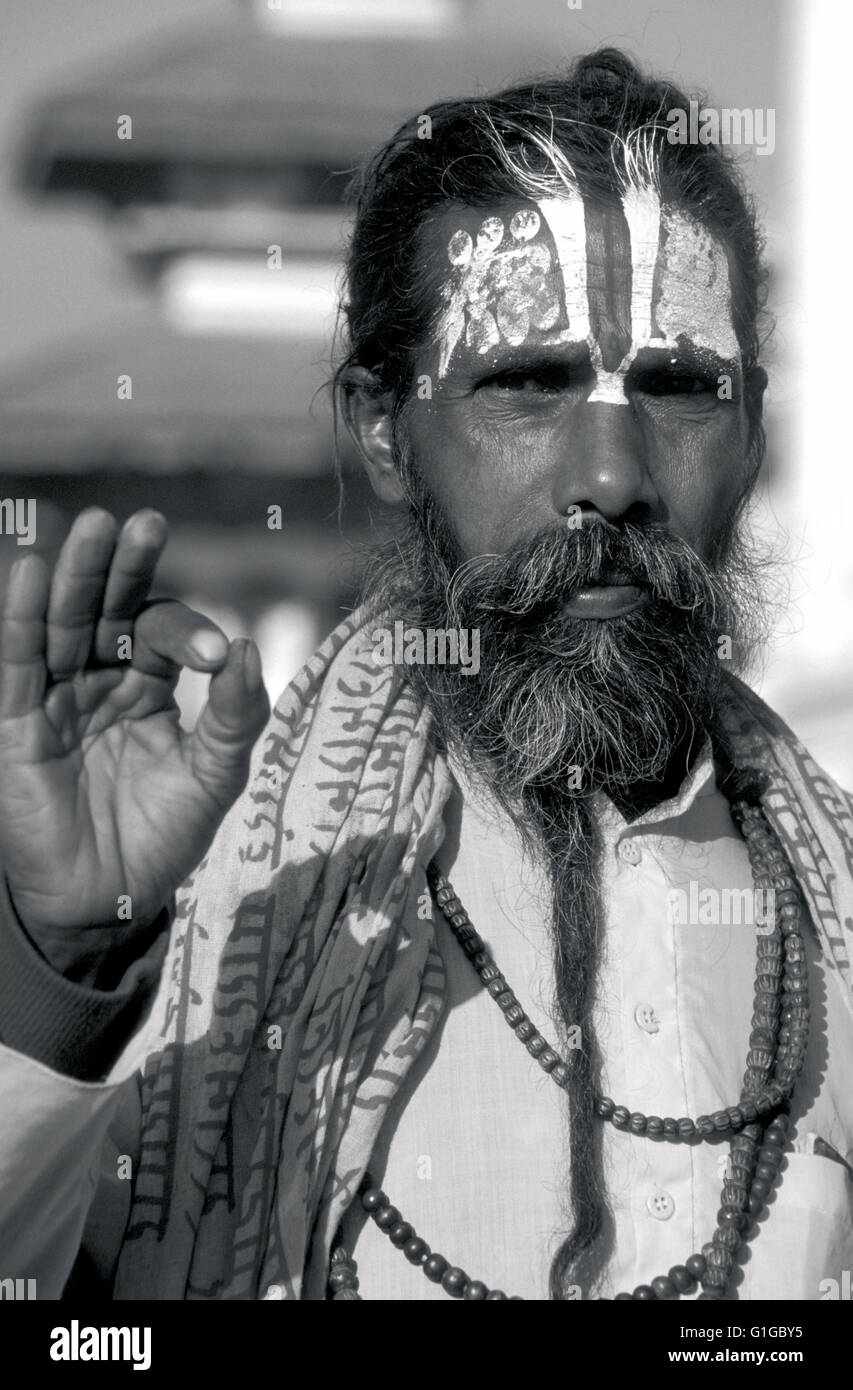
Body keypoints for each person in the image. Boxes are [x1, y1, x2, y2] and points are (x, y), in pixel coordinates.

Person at [0, 47, 851, 1304]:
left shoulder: (826, 918)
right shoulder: (211, 903)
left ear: (757, 431)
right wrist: (62, 966)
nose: (610, 477)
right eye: (524, 383)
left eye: (678, 387)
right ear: (383, 433)